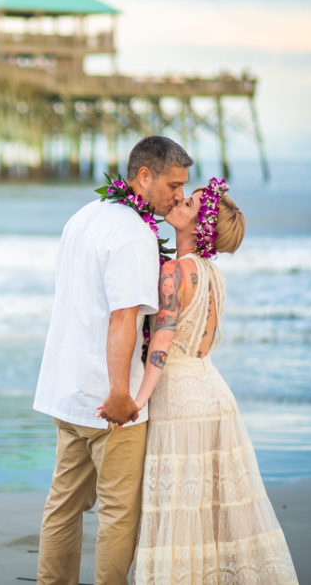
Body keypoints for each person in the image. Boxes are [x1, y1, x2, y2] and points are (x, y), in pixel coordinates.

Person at [34, 135, 193, 585]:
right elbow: (124, 318)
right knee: (119, 513)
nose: (179, 195)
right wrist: (121, 394)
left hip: (67, 389)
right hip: (108, 402)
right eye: (173, 185)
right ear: (144, 176)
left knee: (63, 505)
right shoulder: (134, 234)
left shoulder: (84, 217)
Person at [128, 178, 298, 584]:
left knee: (179, 505)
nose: (178, 202)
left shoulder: (173, 272)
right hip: (214, 390)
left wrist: (137, 400)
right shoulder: (214, 276)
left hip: (180, 398)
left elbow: (163, 343)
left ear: (198, 227)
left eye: (187, 203)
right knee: (213, 508)